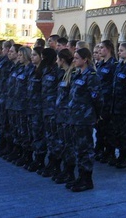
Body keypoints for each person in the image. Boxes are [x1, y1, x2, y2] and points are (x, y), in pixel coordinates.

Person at [67, 47, 103, 192]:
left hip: (85, 118)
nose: (74, 60)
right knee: (78, 148)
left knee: (86, 149)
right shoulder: (77, 74)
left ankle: (87, 179)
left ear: (85, 60)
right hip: (75, 117)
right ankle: (80, 176)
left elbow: (98, 99)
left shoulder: (91, 76)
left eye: (76, 58)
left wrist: (96, 115)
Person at [52, 48, 77, 185]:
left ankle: (70, 172)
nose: (56, 61)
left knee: (69, 145)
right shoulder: (64, 73)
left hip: (68, 116)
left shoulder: (72, 74)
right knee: (63, 144)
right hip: (61, 115)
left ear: (62, 60)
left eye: (58, 59)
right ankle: (66, 170)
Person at [38, 47, 61, 177]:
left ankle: (55, 164)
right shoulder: (45, 70)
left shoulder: (56, 71)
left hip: (53, 109)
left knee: (54, 138)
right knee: (49, 137)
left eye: (43, 56)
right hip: (46, 108)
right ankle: (51, 163)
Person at [112, 42, 126, 169]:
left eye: (121, 50)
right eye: (118, 50)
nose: (119, 52)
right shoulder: (119, 65)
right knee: (118, 131)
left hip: (125, 105)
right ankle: (121, 155)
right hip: (117, 104)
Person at [94, 40, 117, 165]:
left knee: (109, 129)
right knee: (100, 128)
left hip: (108, 102)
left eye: (102, 48)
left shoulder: (114, 65)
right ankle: (101, 150)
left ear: (108, 49)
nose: (100, 50)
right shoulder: (100, 64)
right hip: (100, 102)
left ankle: (110, 153)